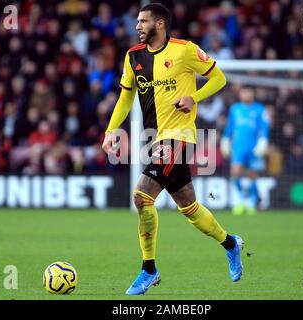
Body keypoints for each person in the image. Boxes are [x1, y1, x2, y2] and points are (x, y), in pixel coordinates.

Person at [102, 3, 243, 295]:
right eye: (137, 21)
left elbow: (219, 78)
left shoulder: (185, 50)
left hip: (180, 137)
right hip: (155, 138)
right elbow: (125, 98)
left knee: (141, 196)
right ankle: (230, 243)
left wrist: (194, 97)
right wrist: (111, 130)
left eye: (143, 21)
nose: (137, 26)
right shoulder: (133, 56)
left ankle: (149, 270)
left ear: (161, 24)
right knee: (189, 208)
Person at [220, 87, 270, 215]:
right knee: (235, 172)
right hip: (238, 147)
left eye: (248, 92)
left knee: (252, 174)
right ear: (240, 94)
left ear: (252, 94)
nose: (246, 94)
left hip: (253, 147)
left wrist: (263, 140)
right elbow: (230, 126)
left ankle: (252, 203)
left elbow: (264, 127)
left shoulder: (260, 109)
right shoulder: (235, 109)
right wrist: (225, 139)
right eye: (244, 92)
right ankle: (241, 201)